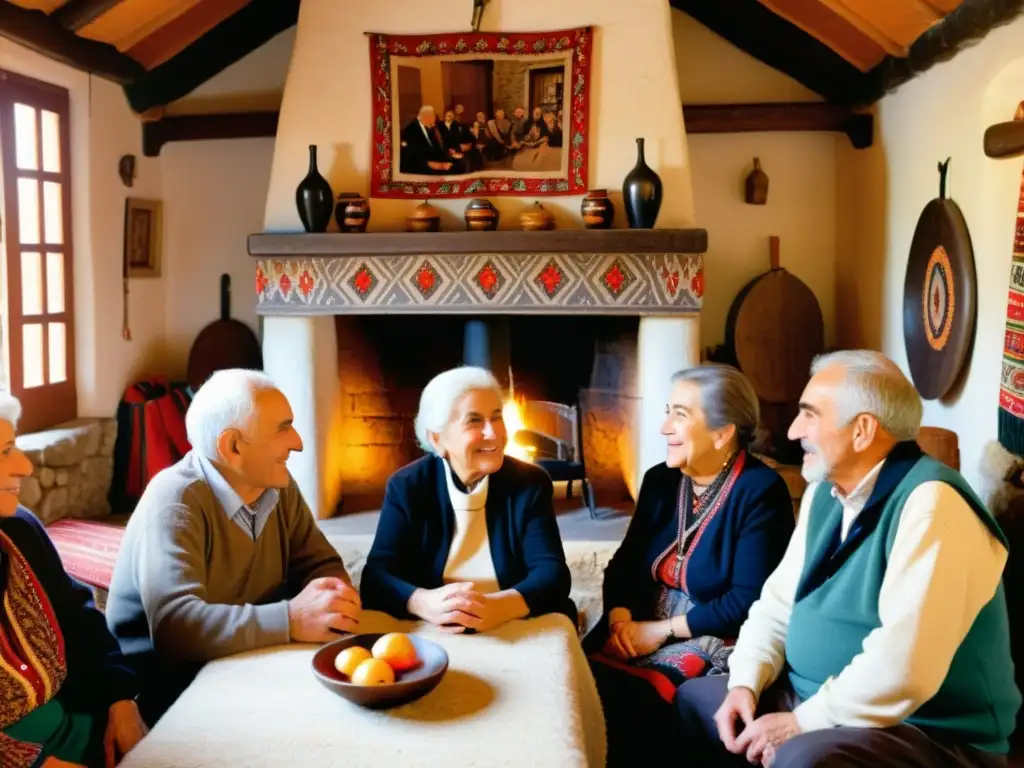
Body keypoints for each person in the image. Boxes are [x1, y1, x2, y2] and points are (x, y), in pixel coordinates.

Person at [675, 350, 1022, 768]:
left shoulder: (932, 506)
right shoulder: (826, 493)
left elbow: (904, 666)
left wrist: (800, 722)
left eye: (810, 415)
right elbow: (777, 605)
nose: (792, 430)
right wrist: (745, 683)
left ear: (862, 430)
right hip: (820, 696)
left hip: (926, 729)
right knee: (697, 701)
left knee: (802, 758)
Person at [106, 369, 359, 726]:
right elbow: (176, 629)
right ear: (233, 447)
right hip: (172, 688)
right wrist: (292, 618)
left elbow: (318, 561)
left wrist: (333, 596)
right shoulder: (175, 500)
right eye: (282, 429)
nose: (298, 442)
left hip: (247, 655)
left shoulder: (275, 484)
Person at [583, 365, 794, 766]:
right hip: (639, 625)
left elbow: (748, 601)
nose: (664, 427)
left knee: (628, 701)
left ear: (722, 431)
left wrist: (658, 633)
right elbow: (623, 566)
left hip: (711, 635)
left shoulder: (760, 491)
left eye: (680, 414)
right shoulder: (660, 482)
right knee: (576, 677)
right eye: (668, 411)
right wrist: (621, 623)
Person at [360, 366, 576, 632]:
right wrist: (422, 602)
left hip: (513, 620)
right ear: (437, 438)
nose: (493, 433)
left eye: (497, 417)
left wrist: (499, 607)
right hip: (436, 625)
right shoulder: (407, 486)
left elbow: (552, 573)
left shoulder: (530, 482)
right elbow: (376, 577)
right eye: (474, 421)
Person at [0, 392, 147, 768]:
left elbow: (80, 618)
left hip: (84, 729)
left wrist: (120, 698)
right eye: (4, 453)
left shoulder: (19, 529)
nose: (24, 467)